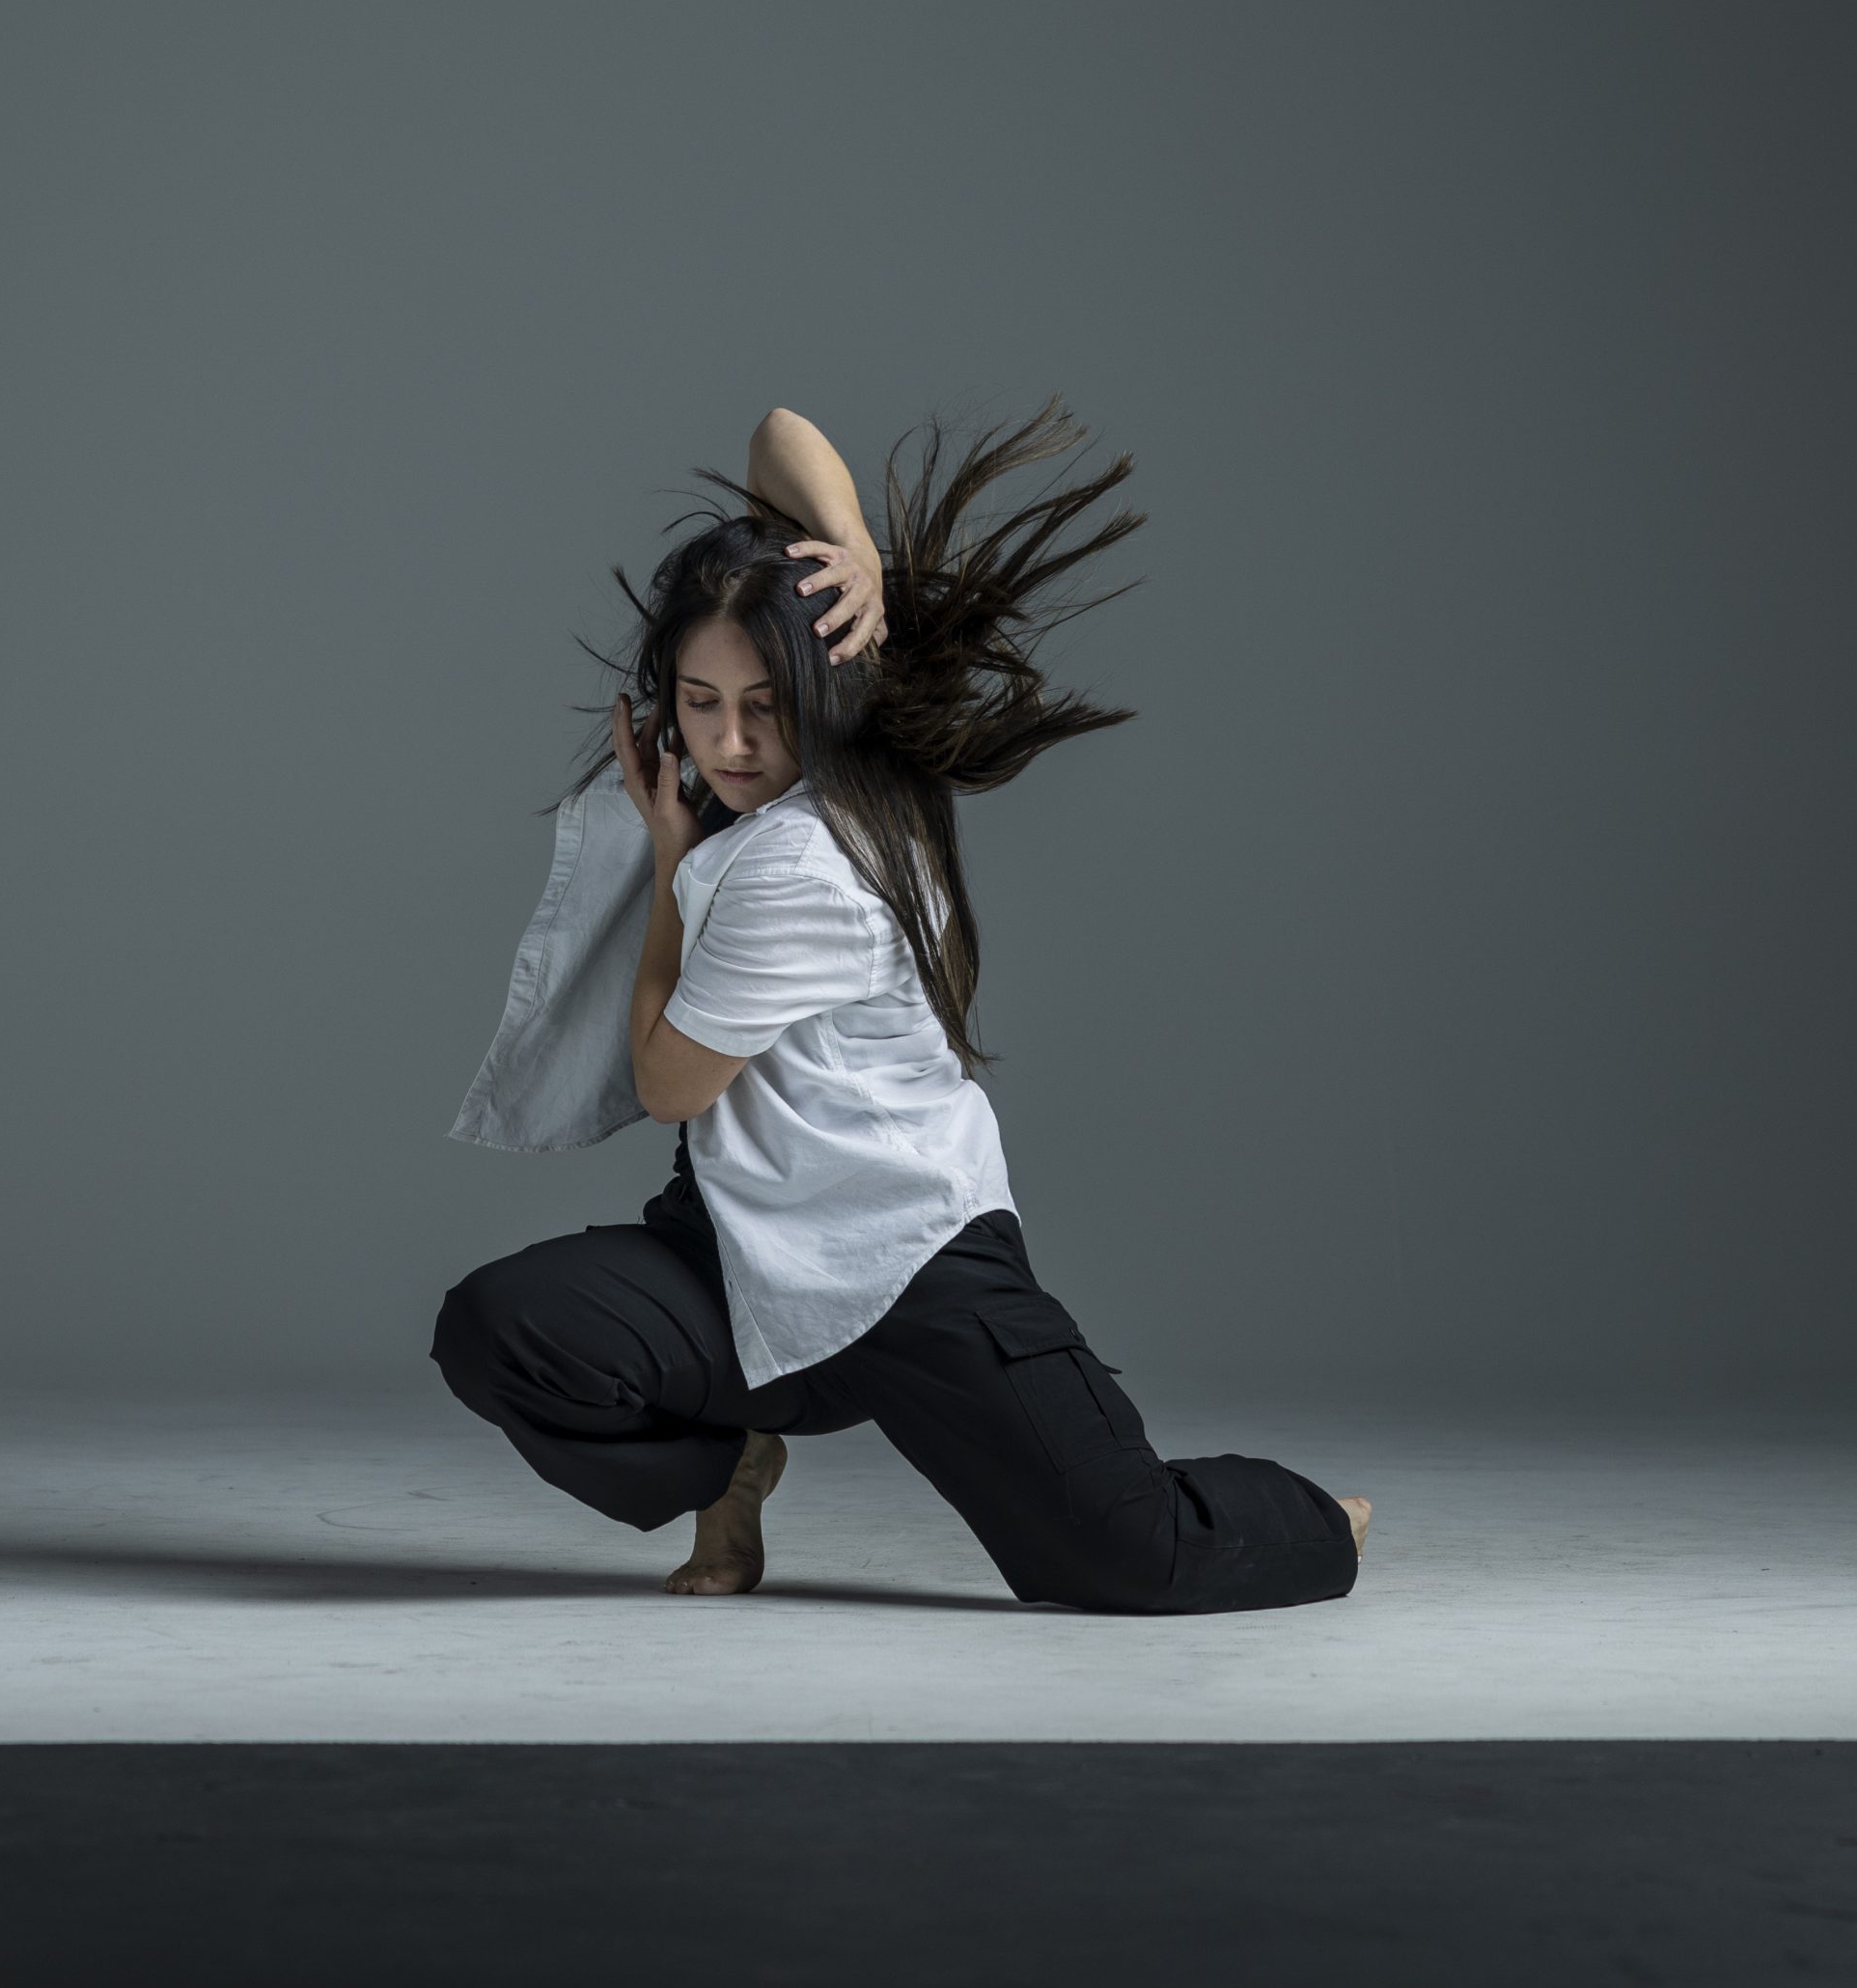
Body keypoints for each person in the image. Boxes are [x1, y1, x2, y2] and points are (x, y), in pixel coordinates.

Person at [432, 400, 1370, 1612]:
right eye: (699, 698)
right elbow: (779, 429)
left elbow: (669, 1079)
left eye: (760, 704)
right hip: (737, 1241)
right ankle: (734, 1454)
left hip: (906, 1260)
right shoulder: (811, 768)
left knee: (1130, 1560)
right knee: (497, 1327)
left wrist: (670, 865)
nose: (725, 741)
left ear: (825, 676)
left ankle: (1321, 1518)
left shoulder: (797, 860)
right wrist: (850, 546)